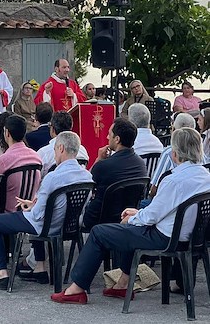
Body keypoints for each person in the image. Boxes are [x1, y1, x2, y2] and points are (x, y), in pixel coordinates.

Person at [52, 127, 210, 305]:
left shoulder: (174, 180)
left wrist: (133, 217)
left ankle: (77, 289)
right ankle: (123, 283)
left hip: (165, 237)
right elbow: (164, 210)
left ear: (175, 153)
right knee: (130, 227)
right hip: (190, 237)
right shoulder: (205, 176)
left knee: (99, 232)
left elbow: (152, 217)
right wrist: (138, 214)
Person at [0, 131, 93, 290]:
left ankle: (1, 273)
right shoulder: (86, 176)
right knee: (33, 212)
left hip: (46, 226)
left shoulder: (53, 177)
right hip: (69, 226)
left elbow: (37, 215)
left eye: (56, 149)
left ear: (61, 148)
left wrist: (31, 207)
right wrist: (34, 203)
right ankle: (39, 268)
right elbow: (57, 203)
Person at [82, 118, 147, 229]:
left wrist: (98, 159)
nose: (107, 137)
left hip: (100, 219)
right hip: (127, 216)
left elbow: (86, 184)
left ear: (117, 139)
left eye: (109, 134)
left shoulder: (103, 166)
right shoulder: (141, 164)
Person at [0, 114, 42, 214]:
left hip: (5, 214)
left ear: (6, 133)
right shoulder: (37, 157)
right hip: (29, 212)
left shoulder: (3, 160)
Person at [147, 113, 196, 201]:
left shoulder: (169, 152)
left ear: (174, 129)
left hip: (169, 202)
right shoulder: (202, 155)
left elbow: (154, 187)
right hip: (193, 203)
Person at [37, 111, 89, 175]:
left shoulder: (44, 153)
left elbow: (37, 179)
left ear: (52, 129)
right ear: (71, 127)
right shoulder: (82, 150)